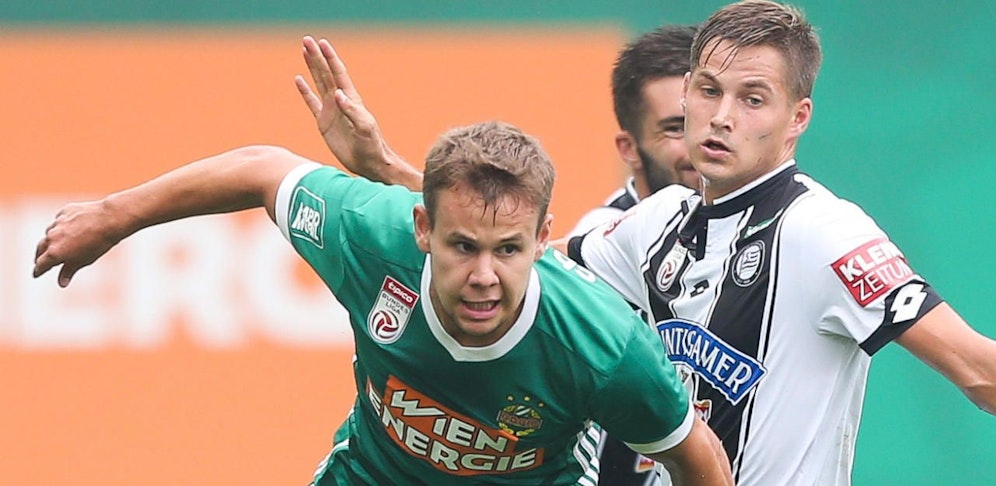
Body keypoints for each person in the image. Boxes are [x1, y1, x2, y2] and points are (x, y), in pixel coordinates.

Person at [293, 3, 996, 484]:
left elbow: (979, 372)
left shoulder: (824, 232)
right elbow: (516, 259)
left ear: (797, 118)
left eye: (753, 99)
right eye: (709, 91)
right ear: (686, 95)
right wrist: (387, 168)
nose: (721, 117)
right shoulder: (657, 221)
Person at [33, 119, 733, 483]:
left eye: (508, 250)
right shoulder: (373, 238)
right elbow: (261, 170)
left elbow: (697, 460)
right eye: (463, 246)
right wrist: (114, 217)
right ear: (422, 229)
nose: (484, 275)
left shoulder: (603, 344)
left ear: (544, 239)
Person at [569, 25, 699, 238]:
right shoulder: (598, 242)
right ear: (629, 148)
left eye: (709, 123)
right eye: (676, 129)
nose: (703, 143)